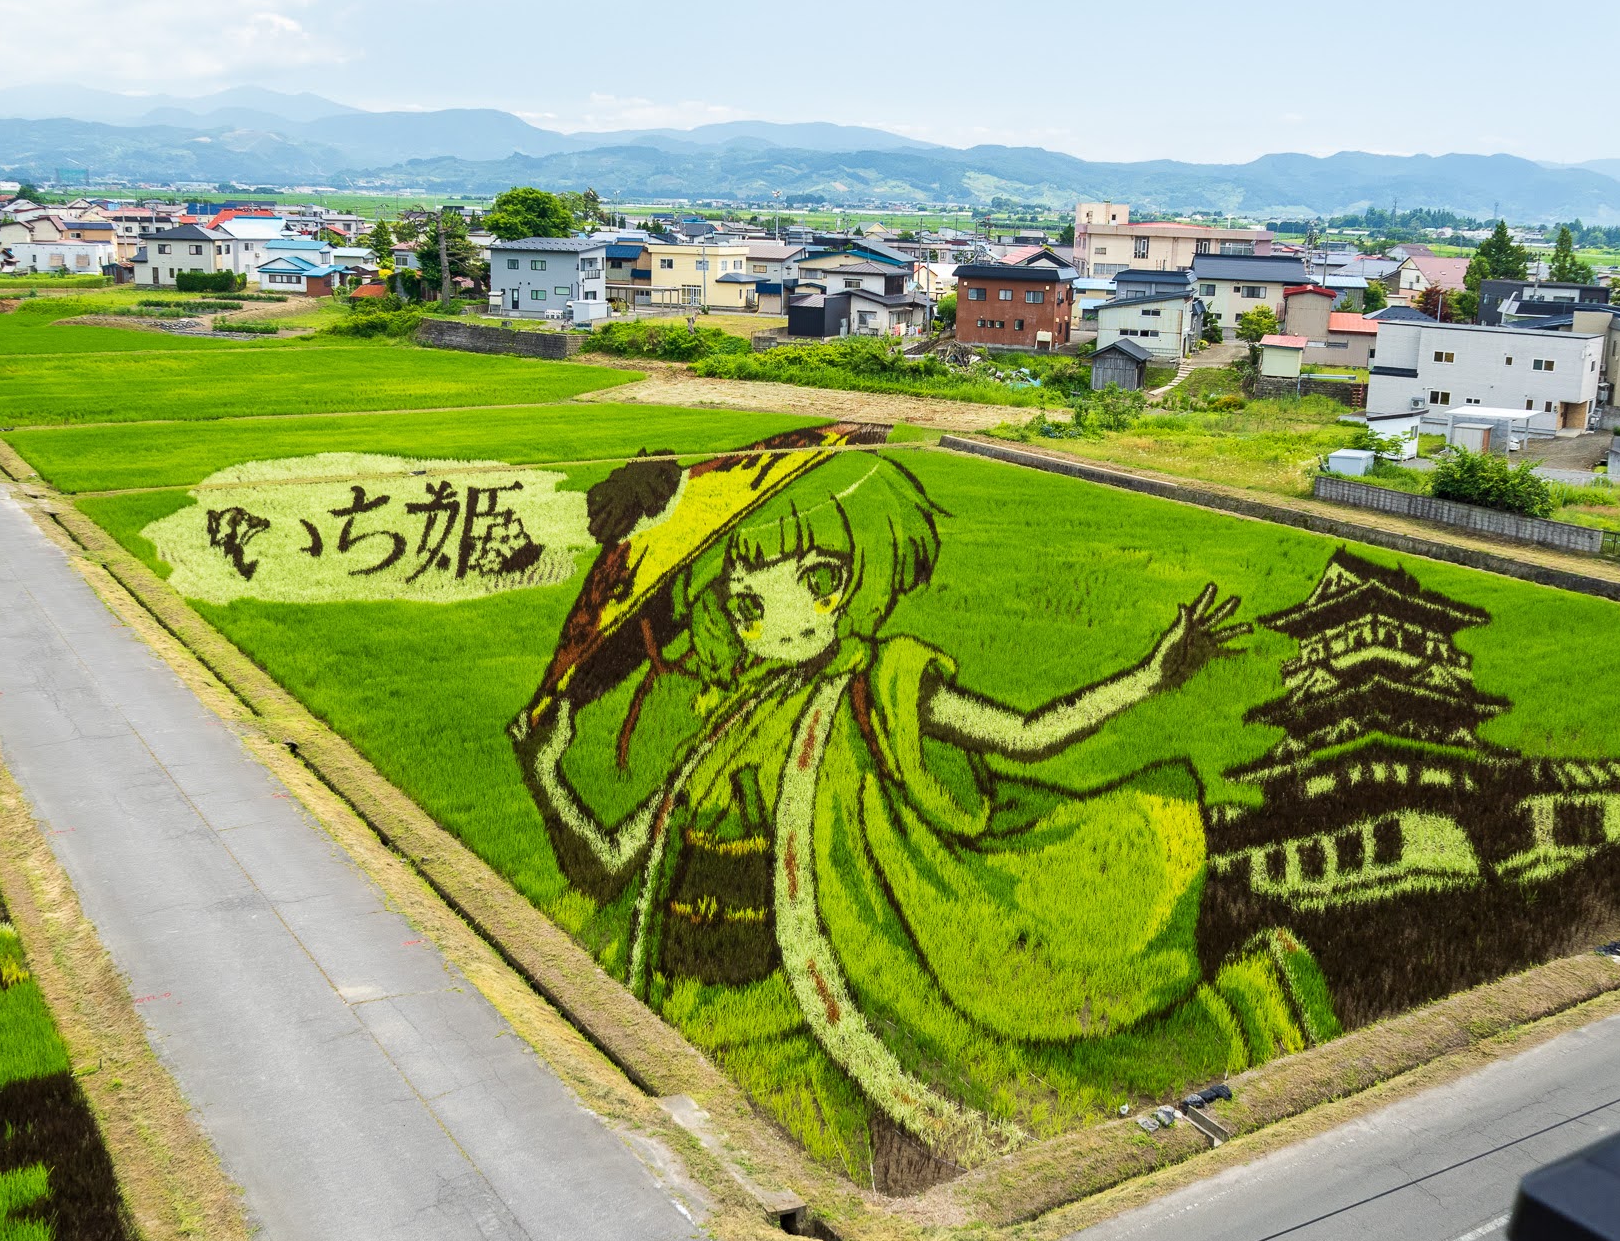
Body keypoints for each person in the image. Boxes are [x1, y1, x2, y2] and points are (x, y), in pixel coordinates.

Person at [513, 449, 1314, 1170]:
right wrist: (544, 774)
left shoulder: (879, 685)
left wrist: (1149, 676)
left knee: (815, 1152)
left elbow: (1025, 737)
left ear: (837, 583)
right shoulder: (731, 720)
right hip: (693, 1006)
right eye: (739, 605)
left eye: (772, 594)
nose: (751, 625)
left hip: (801, 1009)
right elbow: (614, 861)